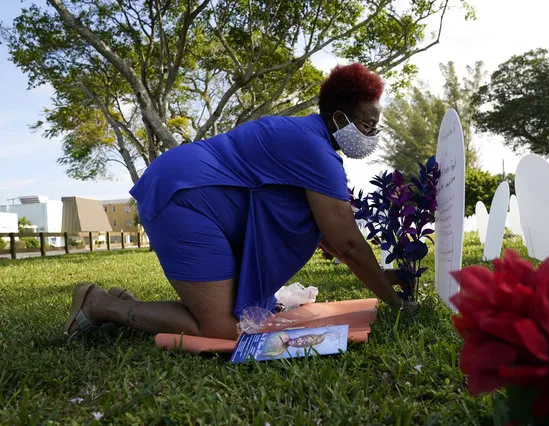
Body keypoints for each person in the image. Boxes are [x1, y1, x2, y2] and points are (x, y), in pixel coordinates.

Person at [64, 63, 415, 341]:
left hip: (184, 188)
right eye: (368, 126)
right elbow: (348, 242)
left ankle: (128, 305)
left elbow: (325, 232)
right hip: (185, 198)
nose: (372, 136)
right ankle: (102, 304)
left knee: (242, 314)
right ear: (340, 118)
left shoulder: (306, 137)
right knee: (223, 328)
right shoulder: (317, 153)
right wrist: (396, 303)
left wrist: (381, 276)